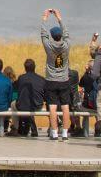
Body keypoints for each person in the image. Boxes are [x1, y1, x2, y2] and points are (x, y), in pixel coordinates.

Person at [40, 8, 71, 141]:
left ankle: (54, 132)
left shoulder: (48, 46)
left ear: (52, 36)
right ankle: (64, 133)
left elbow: (43, 34)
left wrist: (45, 18)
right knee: (65, 107)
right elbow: (67, 33)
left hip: (51, 80)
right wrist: (60, 18)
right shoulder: (66, 45)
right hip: (64, 79)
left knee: (52, 107)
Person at [14, 59, 45, 137]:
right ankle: (29, 129)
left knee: (14, 104)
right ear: (35, 67)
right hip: (38, 105)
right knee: (27, 105)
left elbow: (15, 87)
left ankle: (16, 128)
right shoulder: (41, 79)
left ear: (25, 68)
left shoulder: (21, 78)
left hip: (24, 106)